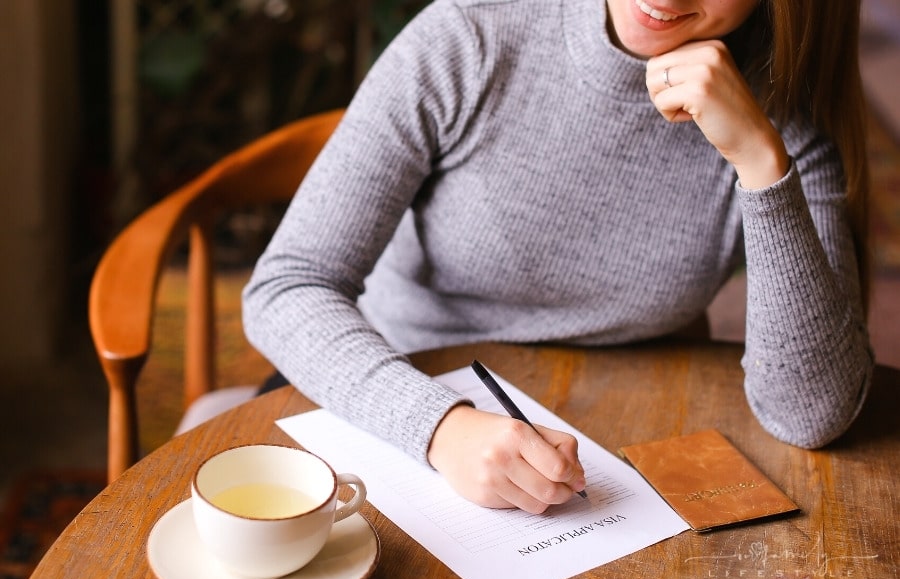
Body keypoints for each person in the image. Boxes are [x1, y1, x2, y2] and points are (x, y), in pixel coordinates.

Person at [243, 0, 873, 515]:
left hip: (612, 444)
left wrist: (762, 165)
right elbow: (288, 286)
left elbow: (810, 413)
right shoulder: (469, 38)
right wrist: (440, 428)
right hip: (400, 398)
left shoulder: (779, 116)